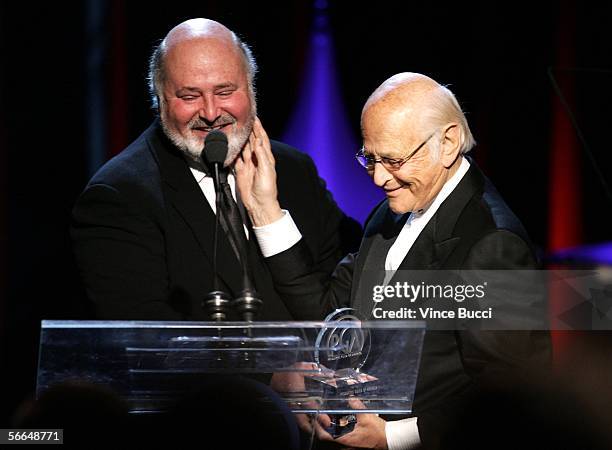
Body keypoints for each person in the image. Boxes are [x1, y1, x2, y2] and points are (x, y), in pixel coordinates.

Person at [236, 72, 551, 449]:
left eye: (393, 160)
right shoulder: (392, 212)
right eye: (370, 158)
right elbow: (330, 315)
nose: (379, 177)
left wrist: (394, 437)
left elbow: (512, 396)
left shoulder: (492, 244)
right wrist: (266, 211)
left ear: (448, 142)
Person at [71, 18, 359, 321]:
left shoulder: (294, 170)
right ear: (159, 99)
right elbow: (145, 341)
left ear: (251, 89)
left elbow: (345, 294)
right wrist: (269, 370)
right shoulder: (118, 197)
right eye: (189, 96)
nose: (210, 113)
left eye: (224, 92)